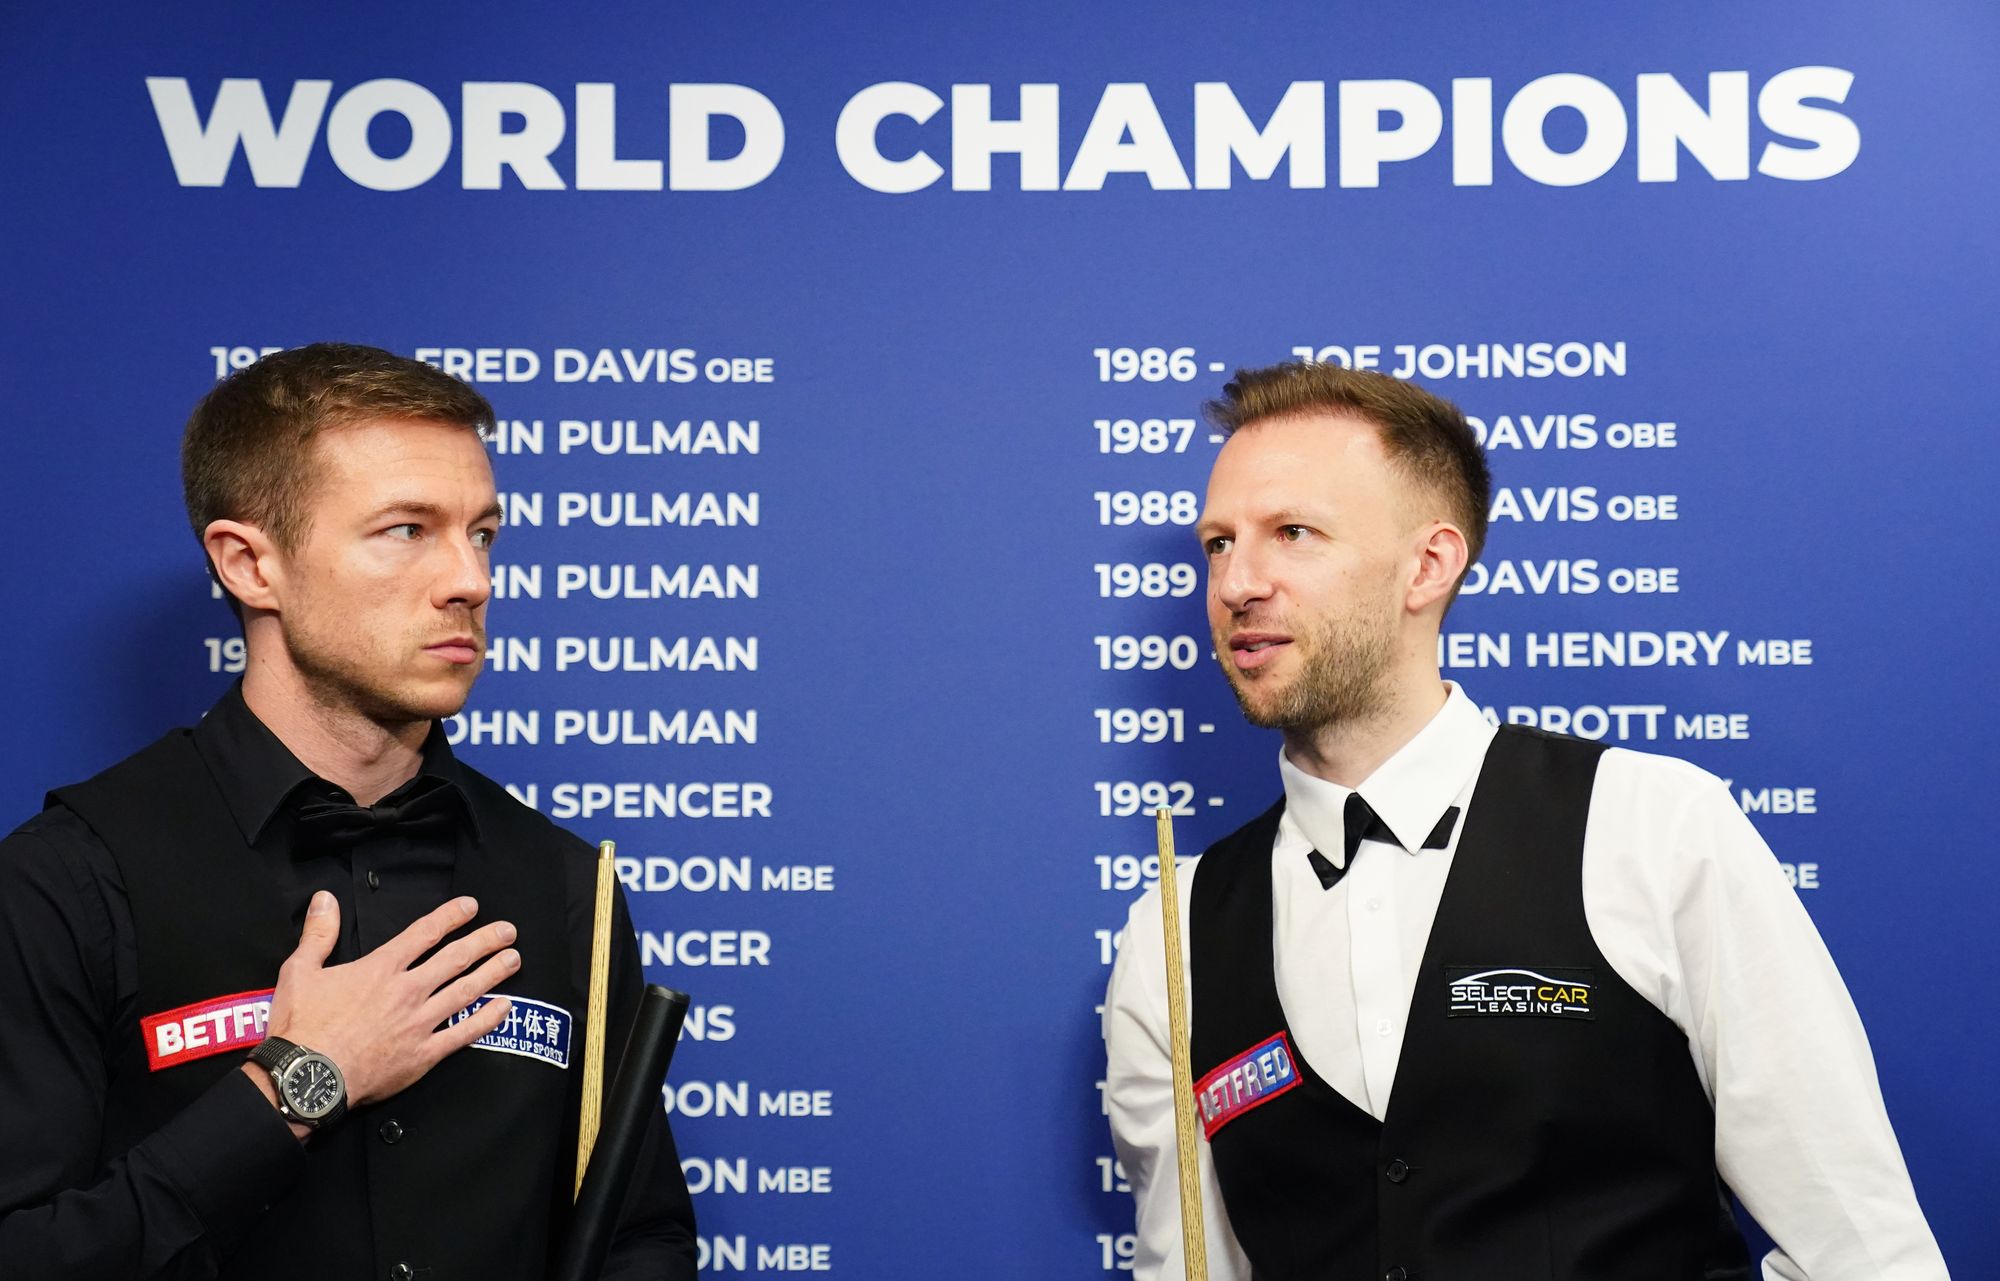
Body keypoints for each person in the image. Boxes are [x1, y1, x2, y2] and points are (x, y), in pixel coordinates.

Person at [1102, 362, 1948, 1281]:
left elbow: (1862, 1251)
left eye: (1292, 533)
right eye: (1219, 542)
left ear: (1429, 564)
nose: (1237, 582)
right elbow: (1184, 1267)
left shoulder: (1654, 828)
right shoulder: (1175, 931)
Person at [0, 343, 698, 1278]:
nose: (471, 581)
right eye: (407, 530)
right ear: (250, 564)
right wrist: (294, 1086)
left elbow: (640, 1234)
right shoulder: (70, 879)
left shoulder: (566, 880)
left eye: (482, 533)